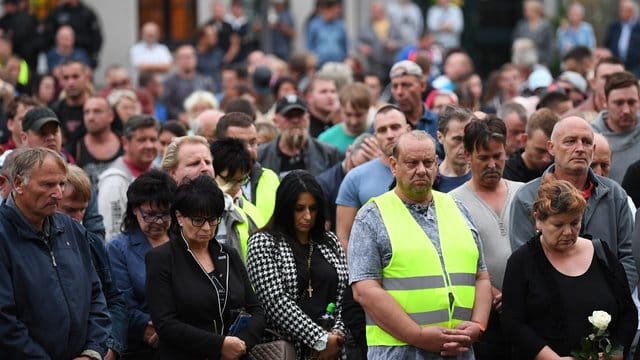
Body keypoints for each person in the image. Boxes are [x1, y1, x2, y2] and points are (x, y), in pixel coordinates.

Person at [349, 130, 491, 359]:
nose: (421, 170)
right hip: (399, 351)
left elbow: (481, 276)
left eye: (427, 162)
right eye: (412, 163)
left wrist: (478, 325)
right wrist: (417, 335)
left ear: (437, 163)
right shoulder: (372, 216)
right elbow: (364, 290)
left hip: (460, 350)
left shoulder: (457, 208)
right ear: (394, 165)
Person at [502, 175, 637, 359]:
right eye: (558, 224)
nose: (568, 232)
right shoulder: (522, 262)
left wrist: (615, 352)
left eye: (575, 223)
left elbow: (628, 312)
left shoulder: (601, 254)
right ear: (539, 221)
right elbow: (513, 323)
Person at [0, 147, 110, 358]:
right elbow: (5, 323)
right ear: (18, 184)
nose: (58, 193)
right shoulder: (4, 237)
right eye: (48, 185)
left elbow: (96, 295)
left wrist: (92, 351)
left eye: (61, 183)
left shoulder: (73, 230)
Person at [509, 116, 637, 290]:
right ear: (551, 148)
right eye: (570, 141)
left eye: (586, 142)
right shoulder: (527, 197)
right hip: (549, 309)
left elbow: (630, 258)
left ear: (593, 149)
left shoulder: (615, 195)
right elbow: (523, 263)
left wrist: (614, 300)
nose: (579, 148)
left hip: (608, 310)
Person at [146, 175, 265, 359]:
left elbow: (256, 309)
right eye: (198, 220)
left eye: (213, 219)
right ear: (179, 217)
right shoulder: (161, 258)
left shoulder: (229, 255)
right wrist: (219, 346)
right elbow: (166, 324)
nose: (207, 228)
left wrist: (240, 344)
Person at [247, 170, 348, 359]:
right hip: (286, 348)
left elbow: (344, 295)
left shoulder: (330, 241)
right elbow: (274, 302)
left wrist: (336, 336)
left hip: (334, 350)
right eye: (299, 208)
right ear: (286, 208)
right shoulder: (263, 242)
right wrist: (319, 339)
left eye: (313, 208)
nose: (307, 216)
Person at [450, 117, 524, 360]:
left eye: (498, 156)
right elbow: (453, 259)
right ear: (467, 155)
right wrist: (489, 291)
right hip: (481, 317)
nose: (492, 164)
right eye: (483, 158)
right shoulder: (452, 202)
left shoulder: (524, 193)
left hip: (528, 311)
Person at [61, 165, 128, 360]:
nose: (78, 217)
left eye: (83, 209)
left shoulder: (92, 243)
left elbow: (114, 300)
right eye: (70, 210)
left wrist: (110, 348)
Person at [107, 170, 176, 359]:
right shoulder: (118, 249)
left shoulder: (182, 241)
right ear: (135, 209)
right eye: (151, 215)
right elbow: (121, 302)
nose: (159, 222)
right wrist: (152, 327)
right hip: (141, 345)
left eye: (165, 214)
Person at [99, 115, 159, 240]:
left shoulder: (158, 171)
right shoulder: (114, 182)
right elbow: (112, 232)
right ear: (125, 143)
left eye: (153, 140)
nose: (149, 145)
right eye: (142, 140)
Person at [216, 112, 280, 228]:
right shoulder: (210, 184)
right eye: (240, 144)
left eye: (253, 142)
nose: (249, 150)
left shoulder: (271, 177)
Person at [257, 94, 342, 177]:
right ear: (276, 121)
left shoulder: (329, 154)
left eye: (299, 115)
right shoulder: (261, 155)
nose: (295, 120)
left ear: (308, 118)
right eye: (289, 116)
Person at [592, 71, 640, 183]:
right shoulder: (589, 138)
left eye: (632, 102)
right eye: (619, 103)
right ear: (605, 102)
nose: (626, 110)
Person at [503, 108, 557, 183]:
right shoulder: (506, 174)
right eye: (540, 151)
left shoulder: (558, 171)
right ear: (524, 140)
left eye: (551, 151)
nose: (546, 159)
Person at [318, 82, 372, 153]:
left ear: (368, 110)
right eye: (348, 115)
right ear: (340, 110)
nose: (354, 121)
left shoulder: (379, 135)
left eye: (359, 115)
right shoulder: (325, 140)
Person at [434, 105, 473, 192]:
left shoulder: (482, 178)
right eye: (457, 139)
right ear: (440, 137)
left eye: (469, 138)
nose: (465, 146)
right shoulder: (430, 181)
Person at [512, 0, 554, 66]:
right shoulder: (521, 25)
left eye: (527, 10)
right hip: (522, 63)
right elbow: (514, 42)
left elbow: (550, 47)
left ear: (535, 11)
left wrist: (546, 63)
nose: (525, 12)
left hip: (540, 62)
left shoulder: (546, 26)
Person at [605, 0, 640, 76]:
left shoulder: (638, 28)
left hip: (635, 68)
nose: (622, 12)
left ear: (632, 11)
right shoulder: (614, 27)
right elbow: (606, 45)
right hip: (615, 66)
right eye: (621, 9)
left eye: (625, 9)